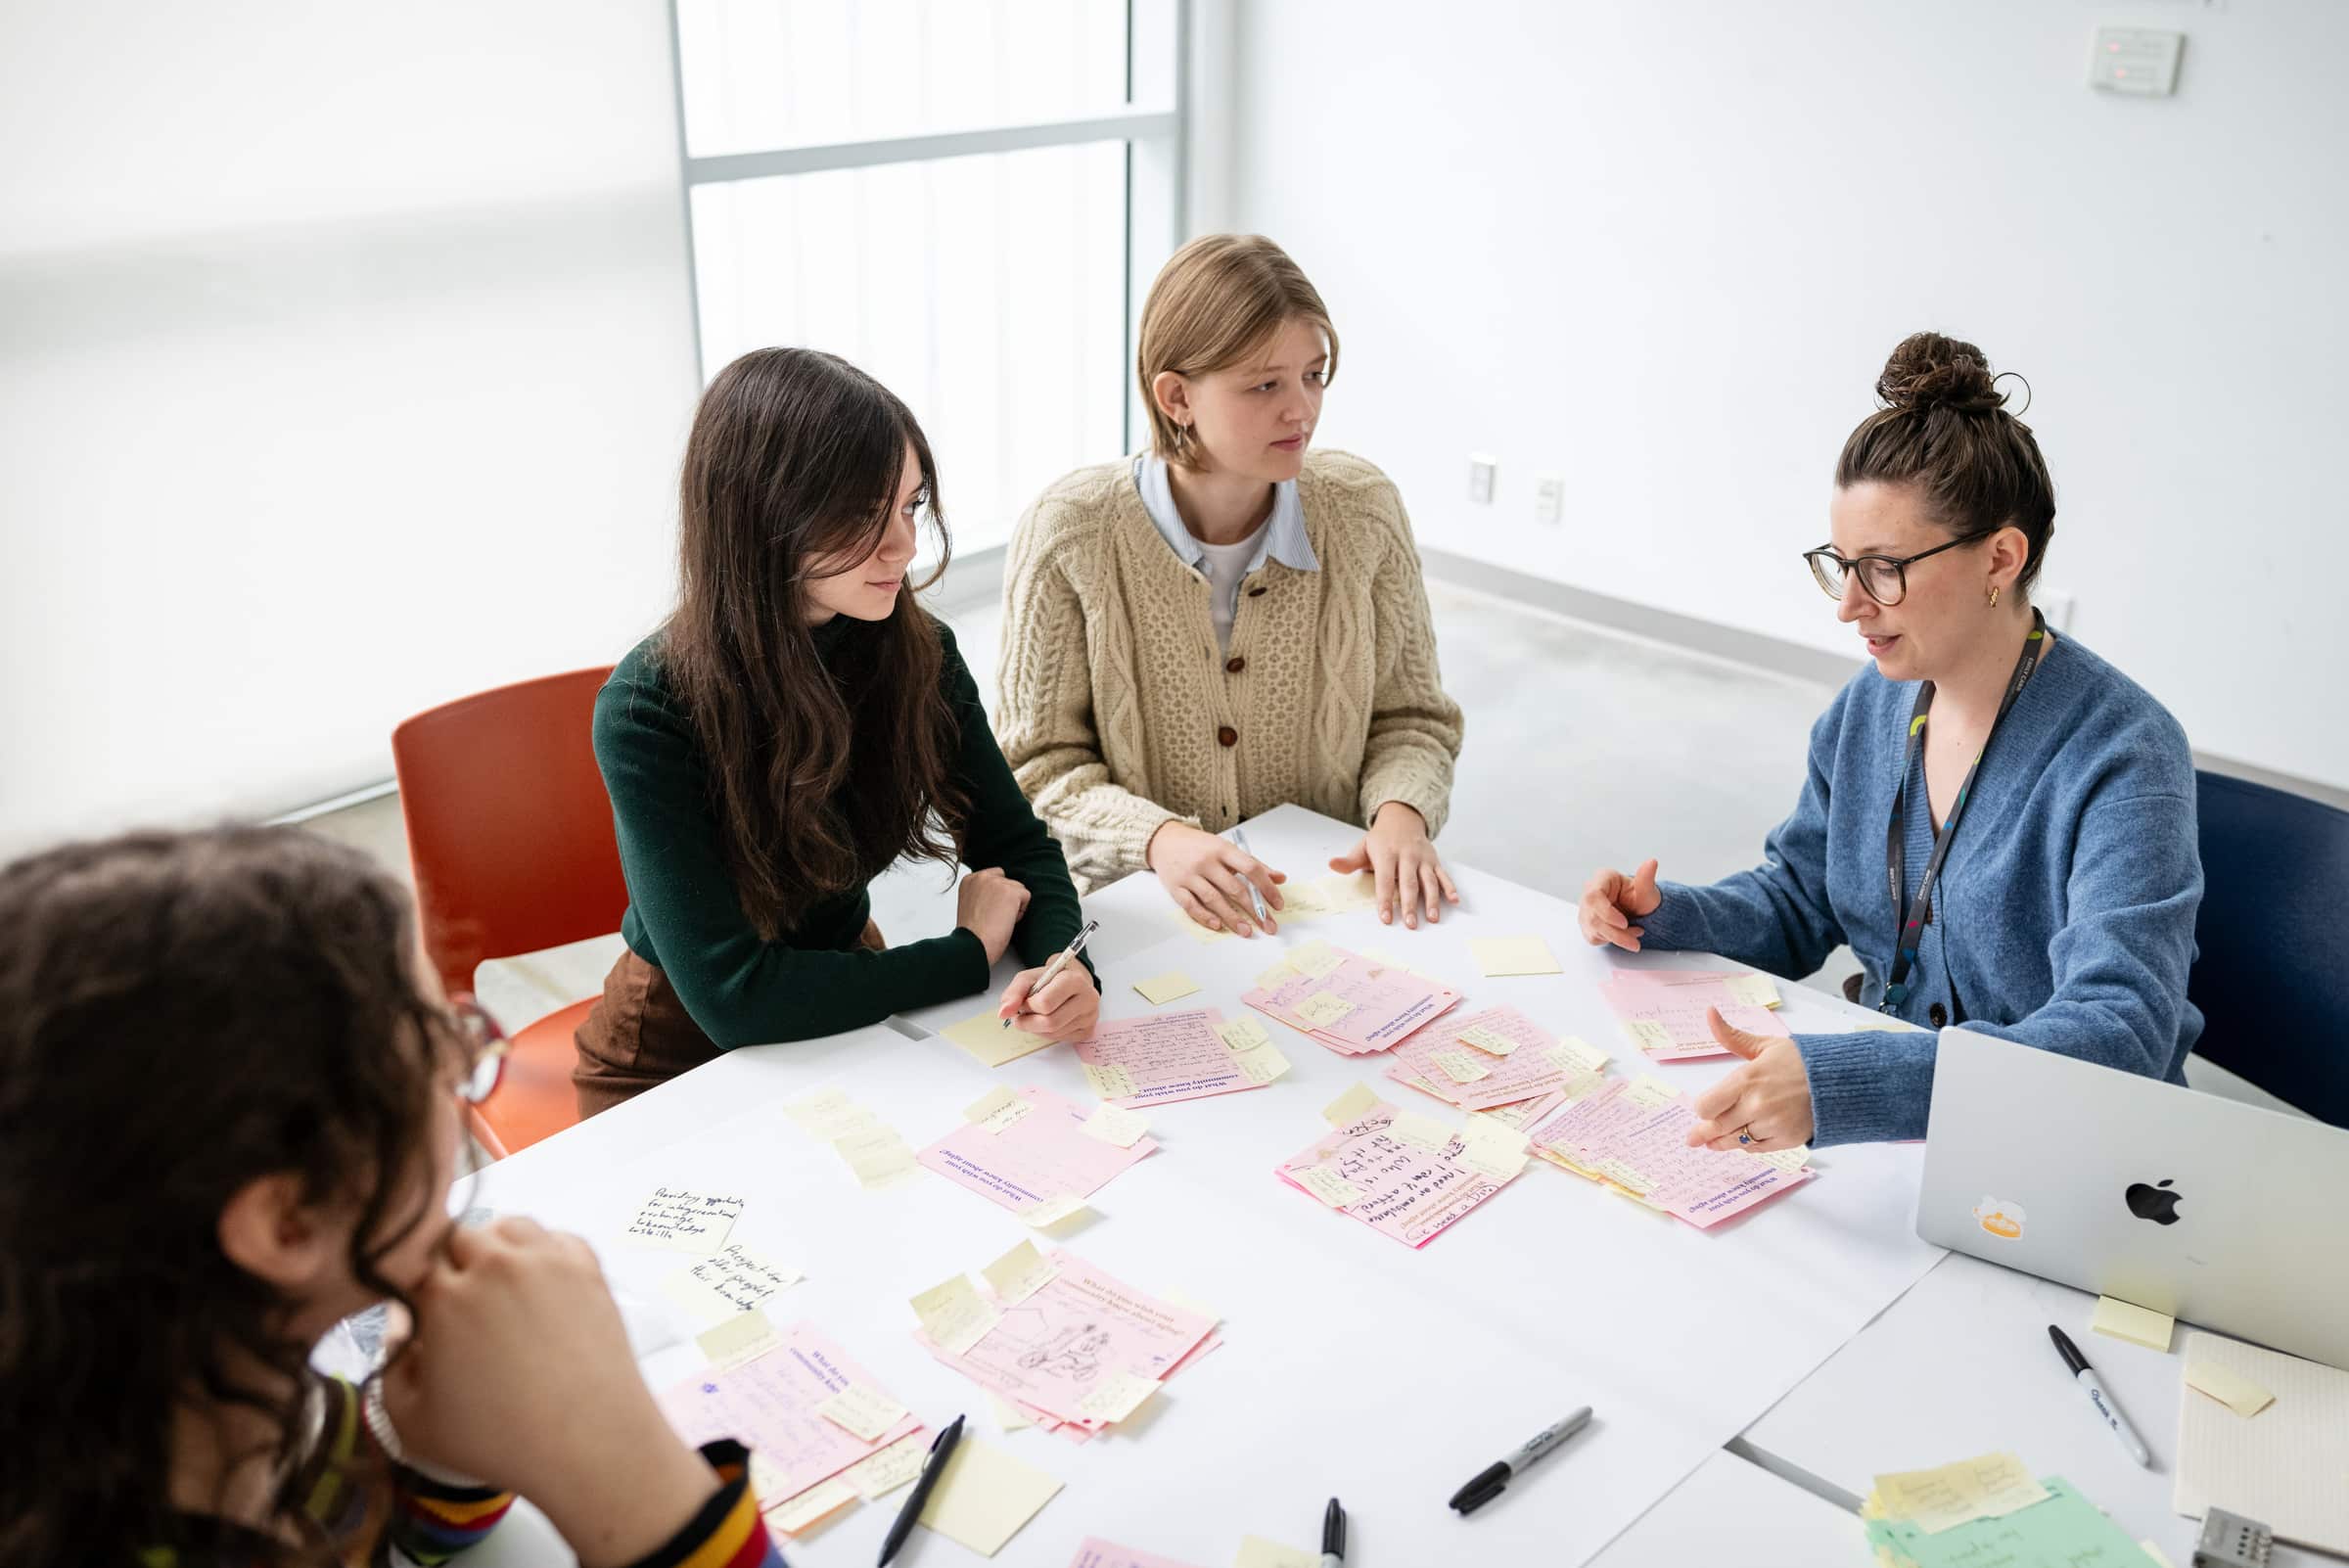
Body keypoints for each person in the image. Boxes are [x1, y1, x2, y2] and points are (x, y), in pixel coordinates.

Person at [0, 826, 783, 1568]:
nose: (470, 1056)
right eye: (440, 1048)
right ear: (290, 1219)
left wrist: (438, 1455)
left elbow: (375, 1522)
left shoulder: (221, 1395)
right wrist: (630, 1473)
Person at [1575, 332, 2203, 1151]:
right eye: (1841, 564)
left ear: (2001, 558)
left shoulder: (2125, 753)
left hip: (2064, 1153)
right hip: (1908, 1140)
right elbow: (1801, 898)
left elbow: (2119, 1034)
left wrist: (1849, 1083)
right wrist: (1666, 916)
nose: (1848, 605)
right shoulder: (1870, 710)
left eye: (1883, 568)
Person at [576, 348, 1099, 1116]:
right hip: (675, 1052)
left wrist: (1065, 963)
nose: (905, 547)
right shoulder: (648, 709)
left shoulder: (917, 651)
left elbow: (1015, 844)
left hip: (848, 1006)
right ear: (762, 514)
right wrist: (966, 956)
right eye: (863, 515)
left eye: (911, 506)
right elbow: (734, 996)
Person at [996, 233, 1465, 936]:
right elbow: (1036, 766)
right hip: (1142, 909)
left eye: (1315, 374)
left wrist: (1400, 813)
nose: (1301, 410)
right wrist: (1159, 839)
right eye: (1265, 384)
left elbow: (1412, 718)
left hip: (1322, 904)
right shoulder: (1070, 532)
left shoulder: (1364, 510)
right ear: (1176, 396)